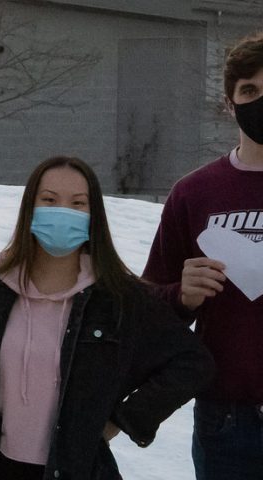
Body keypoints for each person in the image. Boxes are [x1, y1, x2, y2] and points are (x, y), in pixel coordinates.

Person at [0, 156, 214, 480]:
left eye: (78, 203)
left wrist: (123, 420)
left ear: (93, 216)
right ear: (30, 208)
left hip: (81, 469)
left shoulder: (118, 297)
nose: (62, 212)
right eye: (49, 200)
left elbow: (192, 362)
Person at [142, 32, 263, 480]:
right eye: (249, 91)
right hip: (226, 421)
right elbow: (146, 307)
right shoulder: (194, 193)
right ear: (230, 104)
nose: (260, 101)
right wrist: (182, 296)